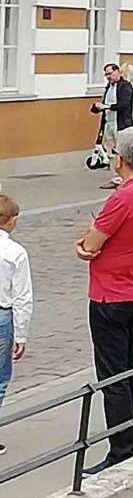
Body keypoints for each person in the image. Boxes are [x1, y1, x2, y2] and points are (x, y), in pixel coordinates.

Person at [76, 128, 133, 474]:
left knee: (114, 376)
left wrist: (83, 246)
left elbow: (91, 243)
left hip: (110, 294)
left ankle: (121, 448)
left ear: (121, 159)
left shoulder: (123, 197)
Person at [0, 192, 33, 453]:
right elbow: (23, 297)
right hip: (2, 315)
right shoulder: (15, 252)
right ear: (11, 221)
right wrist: (21, 335)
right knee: (0, 379)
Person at [90, 64, 133, 187]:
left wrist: (107, 107)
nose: (108, 77)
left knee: (122, 152)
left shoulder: (125, 86)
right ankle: (116, 178)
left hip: (121, 124)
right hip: (109, 123)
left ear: (118, 72)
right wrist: (98, 108)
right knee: (111, 151)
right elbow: (106, 104)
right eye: (106, 74)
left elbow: (125, 105)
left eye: (110, 74)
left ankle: (124, 178)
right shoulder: (108, 88)